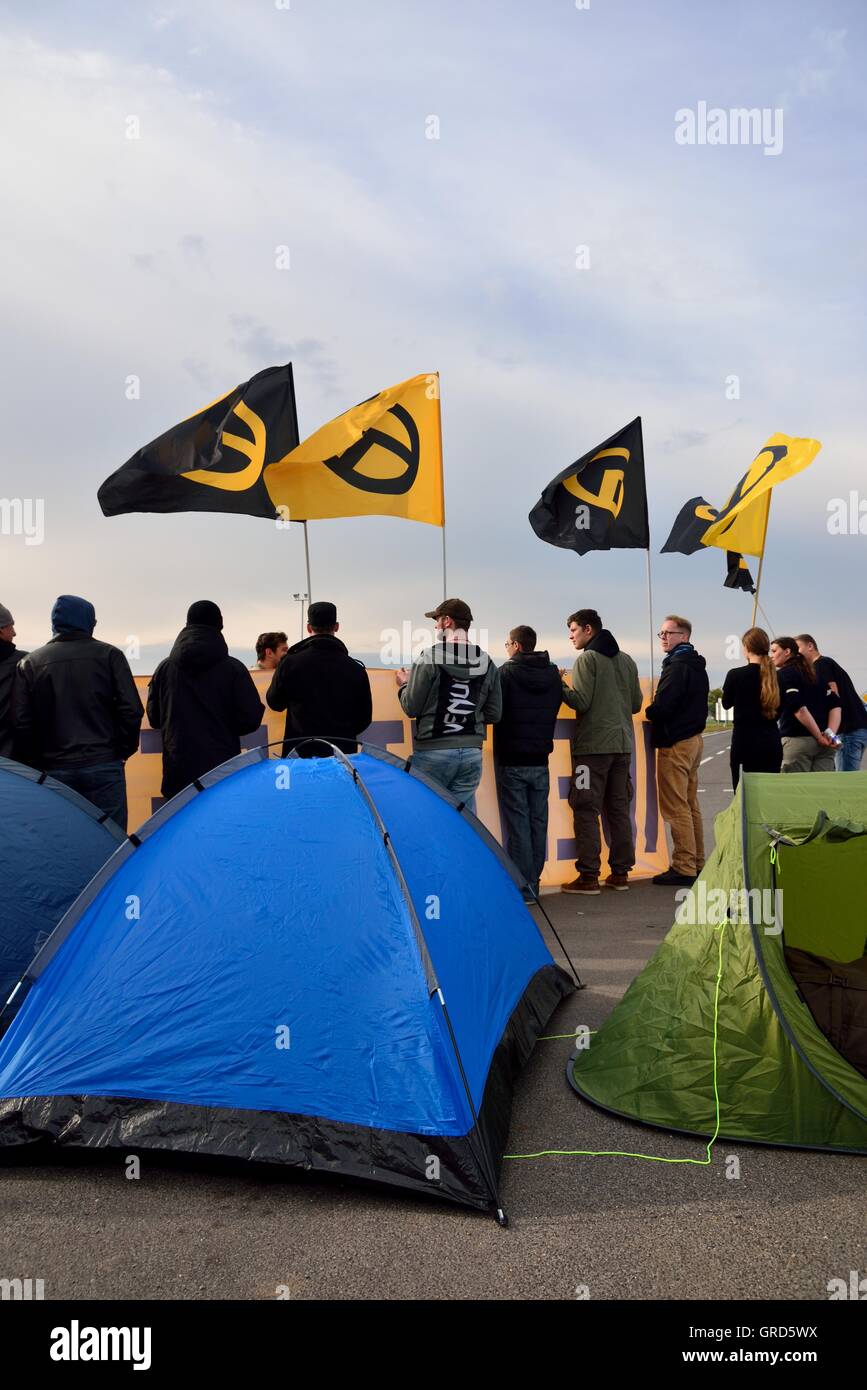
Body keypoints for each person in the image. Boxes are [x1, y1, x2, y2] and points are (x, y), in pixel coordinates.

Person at [14, 595, 142, 829]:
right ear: (88, 622)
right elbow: (131, 710)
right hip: (104, 762)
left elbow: (22, 723)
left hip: (53, 769)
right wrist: (122, 751)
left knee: (64, 843)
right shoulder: (110, 655)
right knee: (111, 841)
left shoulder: (30, 663)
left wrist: (36, 763)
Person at [558, 609, 643, 895]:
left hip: (592, 748)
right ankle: (620, 873)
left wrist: (560, 684)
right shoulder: (627, 661)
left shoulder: (587, 659)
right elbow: (635, 704)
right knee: (618, 809)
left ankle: (588, 876)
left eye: (573, 630)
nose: (570, 636)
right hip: (623, 747)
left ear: (588, 629)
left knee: (585, 807)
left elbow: (581, 702)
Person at [147, 600, 264, 799]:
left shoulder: (164, 669)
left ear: (187, 624)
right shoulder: (234, 669)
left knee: (182, 828)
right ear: (220, 625)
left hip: (178, 771)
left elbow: (155, 718)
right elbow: (250, 719)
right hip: (222, 770)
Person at [396, 598, 501, 814]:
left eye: (436, 620)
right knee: (464, 823)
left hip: (433, 753)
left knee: (428, 818)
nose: (435, 626)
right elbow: (494, 713)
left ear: (447, 622)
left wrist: (405, 684)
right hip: (472, 753)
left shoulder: (430, 657)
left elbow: (411, 707)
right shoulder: (487, 662)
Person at [493, 625, 563, 902]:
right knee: (538, 822)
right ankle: (534, 880)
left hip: (512, 758)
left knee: (519, 824)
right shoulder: (552, 674)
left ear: (517, 645)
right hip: (541, 758)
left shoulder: (506, 673)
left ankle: (524, 886)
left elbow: (495, 711)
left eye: (507, 643)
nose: (506, 648)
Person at [645, 614, 709, 887]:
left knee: (676, 807)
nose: (663, 638)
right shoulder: (696, 665)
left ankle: (683, 865)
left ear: (684, 636)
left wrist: (649, 710)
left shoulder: (677, 665)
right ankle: (696, 862)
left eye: (668, 633)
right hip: (693, 739)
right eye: (661, 633)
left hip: (675, 742)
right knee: (690, 804)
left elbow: (665, 705)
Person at [266, 601, 372, 756]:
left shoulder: (290, 663)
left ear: (309, 628)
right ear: (336, 627)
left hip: (300, 755)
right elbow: (364, 718)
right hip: (341, 757)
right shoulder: (355, 669)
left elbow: (275, 702)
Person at [721, 627, 783, 789]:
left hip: (744, 743)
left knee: (743, 796)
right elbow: (781, 709)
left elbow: (726, 703)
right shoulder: (778, 677)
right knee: (768, 795)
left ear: (747, 649)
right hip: (771, 743)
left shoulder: (735, 675)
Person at [796, 633, 867, 772]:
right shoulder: (828, 662)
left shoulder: (820, 665)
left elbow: (833, 696)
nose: (796, 653)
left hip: (849, 731)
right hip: (856, 728)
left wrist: (830, 734)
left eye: (797, 648)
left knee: (845, 781)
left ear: (810, 646)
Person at [770, 637, 839, 772]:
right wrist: (831, 736)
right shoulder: (815, 674)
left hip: (798, 742)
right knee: (821, 790)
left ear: (787, 651)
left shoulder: (784, 675)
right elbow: (836, 706)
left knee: (796, 791)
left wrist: (819, 736)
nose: (771, 656)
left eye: (774, 651)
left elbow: (799, 708)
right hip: (826, 745)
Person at [0, 602, 28, 759]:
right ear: (1, 630)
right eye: (10, 626)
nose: (15, 633)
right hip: (14, 761)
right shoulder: (24, 662)